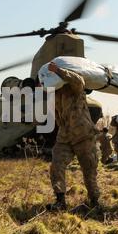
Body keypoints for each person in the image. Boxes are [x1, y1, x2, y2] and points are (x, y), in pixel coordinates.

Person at [46, 62, 100, 213]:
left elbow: (79, 81)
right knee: (56, 165)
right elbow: (57, 115)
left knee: (89, 170)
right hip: (65, 136)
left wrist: (58, 70)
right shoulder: (54, 94)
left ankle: (95, 201)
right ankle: (60, 201)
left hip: (84, 135)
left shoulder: (74, 88)